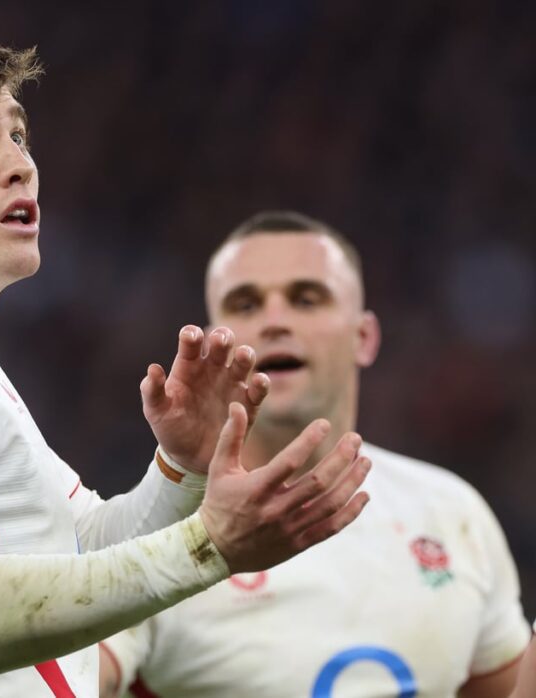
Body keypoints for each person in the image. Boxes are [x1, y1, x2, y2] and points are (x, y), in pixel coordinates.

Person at [0, 25, 371, 697]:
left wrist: (182, 473)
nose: (19, 163)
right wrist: (212, 547)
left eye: (17, 136)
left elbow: (79, 545)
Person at [98, 211, 531, 698]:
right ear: (215, 342)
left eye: (306, 298)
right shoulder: (151, 535)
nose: (275, 321)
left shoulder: (452, 512)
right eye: (245, 304)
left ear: (363, 337)